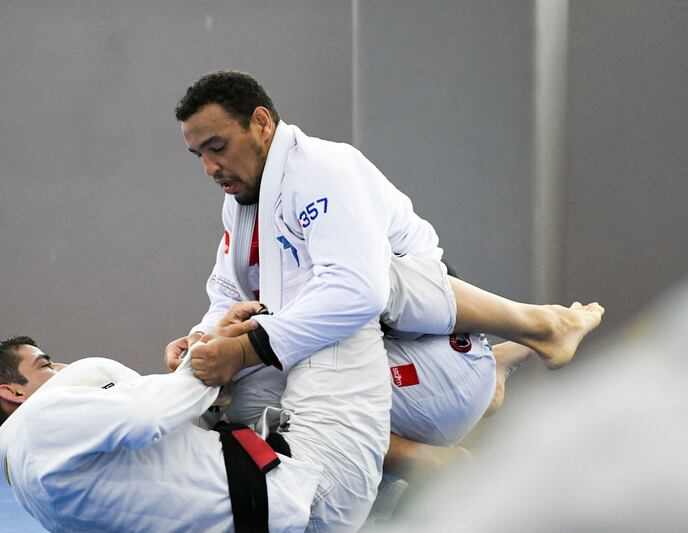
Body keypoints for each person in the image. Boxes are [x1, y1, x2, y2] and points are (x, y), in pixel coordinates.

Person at [166, 70, 604, 530]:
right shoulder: (243, 204)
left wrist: (241, 348)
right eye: (199, 155)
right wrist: (203, 340)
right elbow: (228, 292)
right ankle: (487, 378)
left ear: (261, 123)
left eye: (217, 147)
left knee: (358, 282)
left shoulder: (321, 168)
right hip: (412, 378)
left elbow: (360, 290)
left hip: (438, 359)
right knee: (230, 395)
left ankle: (536, 327)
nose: (210, 168)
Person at [0, 336, 322, 532]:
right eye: (45, 365)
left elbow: (161, 465)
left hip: (268, 508)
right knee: (342, 338)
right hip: (294, 498)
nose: (63, 367)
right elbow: (148, 413)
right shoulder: (39, 421)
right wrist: (209, 355)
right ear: (14, 393)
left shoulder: (29, 486)